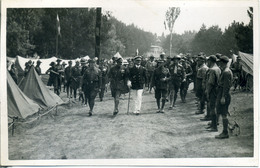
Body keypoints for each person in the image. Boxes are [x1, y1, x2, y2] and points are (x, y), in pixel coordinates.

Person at [215, 56, 233, 139]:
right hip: (221, 93)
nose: (219, 63)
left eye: (220, 62)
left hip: (224, 93)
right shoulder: (225, 71)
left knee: (224, 114)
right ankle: (227, 129)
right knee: (223, 113)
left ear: (224, 63)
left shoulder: (226, 72)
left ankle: (225, 132)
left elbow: (226, 86)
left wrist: (223, 97)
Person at [203, 55, 221, 132]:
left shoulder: (212, 70)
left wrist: (207, 91)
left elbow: (210, 82)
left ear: (210, 61)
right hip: (217, 90)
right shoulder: (218, 69)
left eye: (208, 61)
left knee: (212, 107)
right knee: (215, 107)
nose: (208, 62)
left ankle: (214, 126)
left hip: (212, 91)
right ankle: (214, 124)